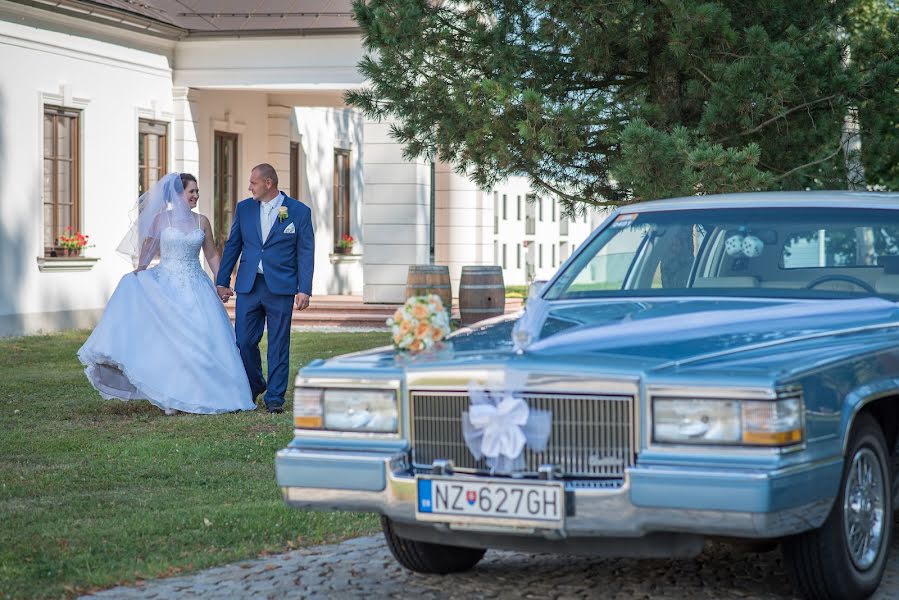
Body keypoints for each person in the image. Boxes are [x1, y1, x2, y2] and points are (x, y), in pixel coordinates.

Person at [78, 173, 255, 415]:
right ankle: (172, 395)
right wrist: (140, 272)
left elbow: (212, 254)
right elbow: (148, 250)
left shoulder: (202, 221)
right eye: (191, 191)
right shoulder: (161, 220)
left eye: (197, 192)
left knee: (203, 340)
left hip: (197, 286)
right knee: (171, 344)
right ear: (177, 194)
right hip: (166, 286)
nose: (196, 196)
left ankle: (207, 393)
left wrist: (222, 281)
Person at [215, 164, 314, 414]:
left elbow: (305, 252)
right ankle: (256, 382)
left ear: (268, 183)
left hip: (281, 287)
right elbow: (233, 244)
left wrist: (305, 289)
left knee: (279, 342)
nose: (249, 187)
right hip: (249, 285)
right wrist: (223, 281)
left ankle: (275, 398)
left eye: (253, 183)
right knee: (245, 340)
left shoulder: (299, 212)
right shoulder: (245, 208)